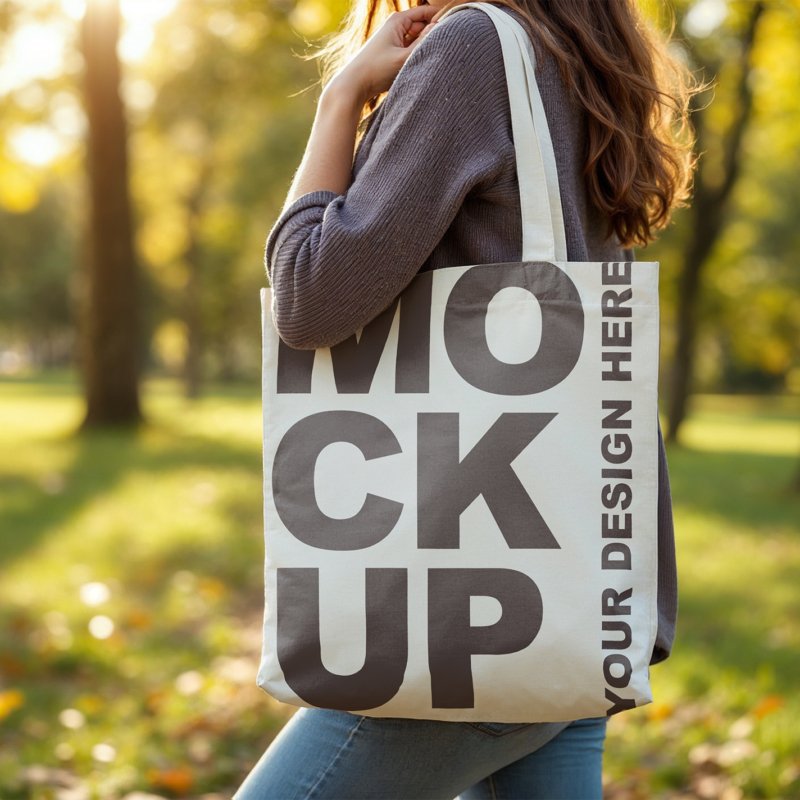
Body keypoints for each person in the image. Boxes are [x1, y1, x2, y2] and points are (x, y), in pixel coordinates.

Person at [235, 0, 695, 797]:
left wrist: (341, 96)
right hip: (565, 601)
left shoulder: (473, 50)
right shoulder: (590, 63)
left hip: (458, 621)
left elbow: (309, 298)